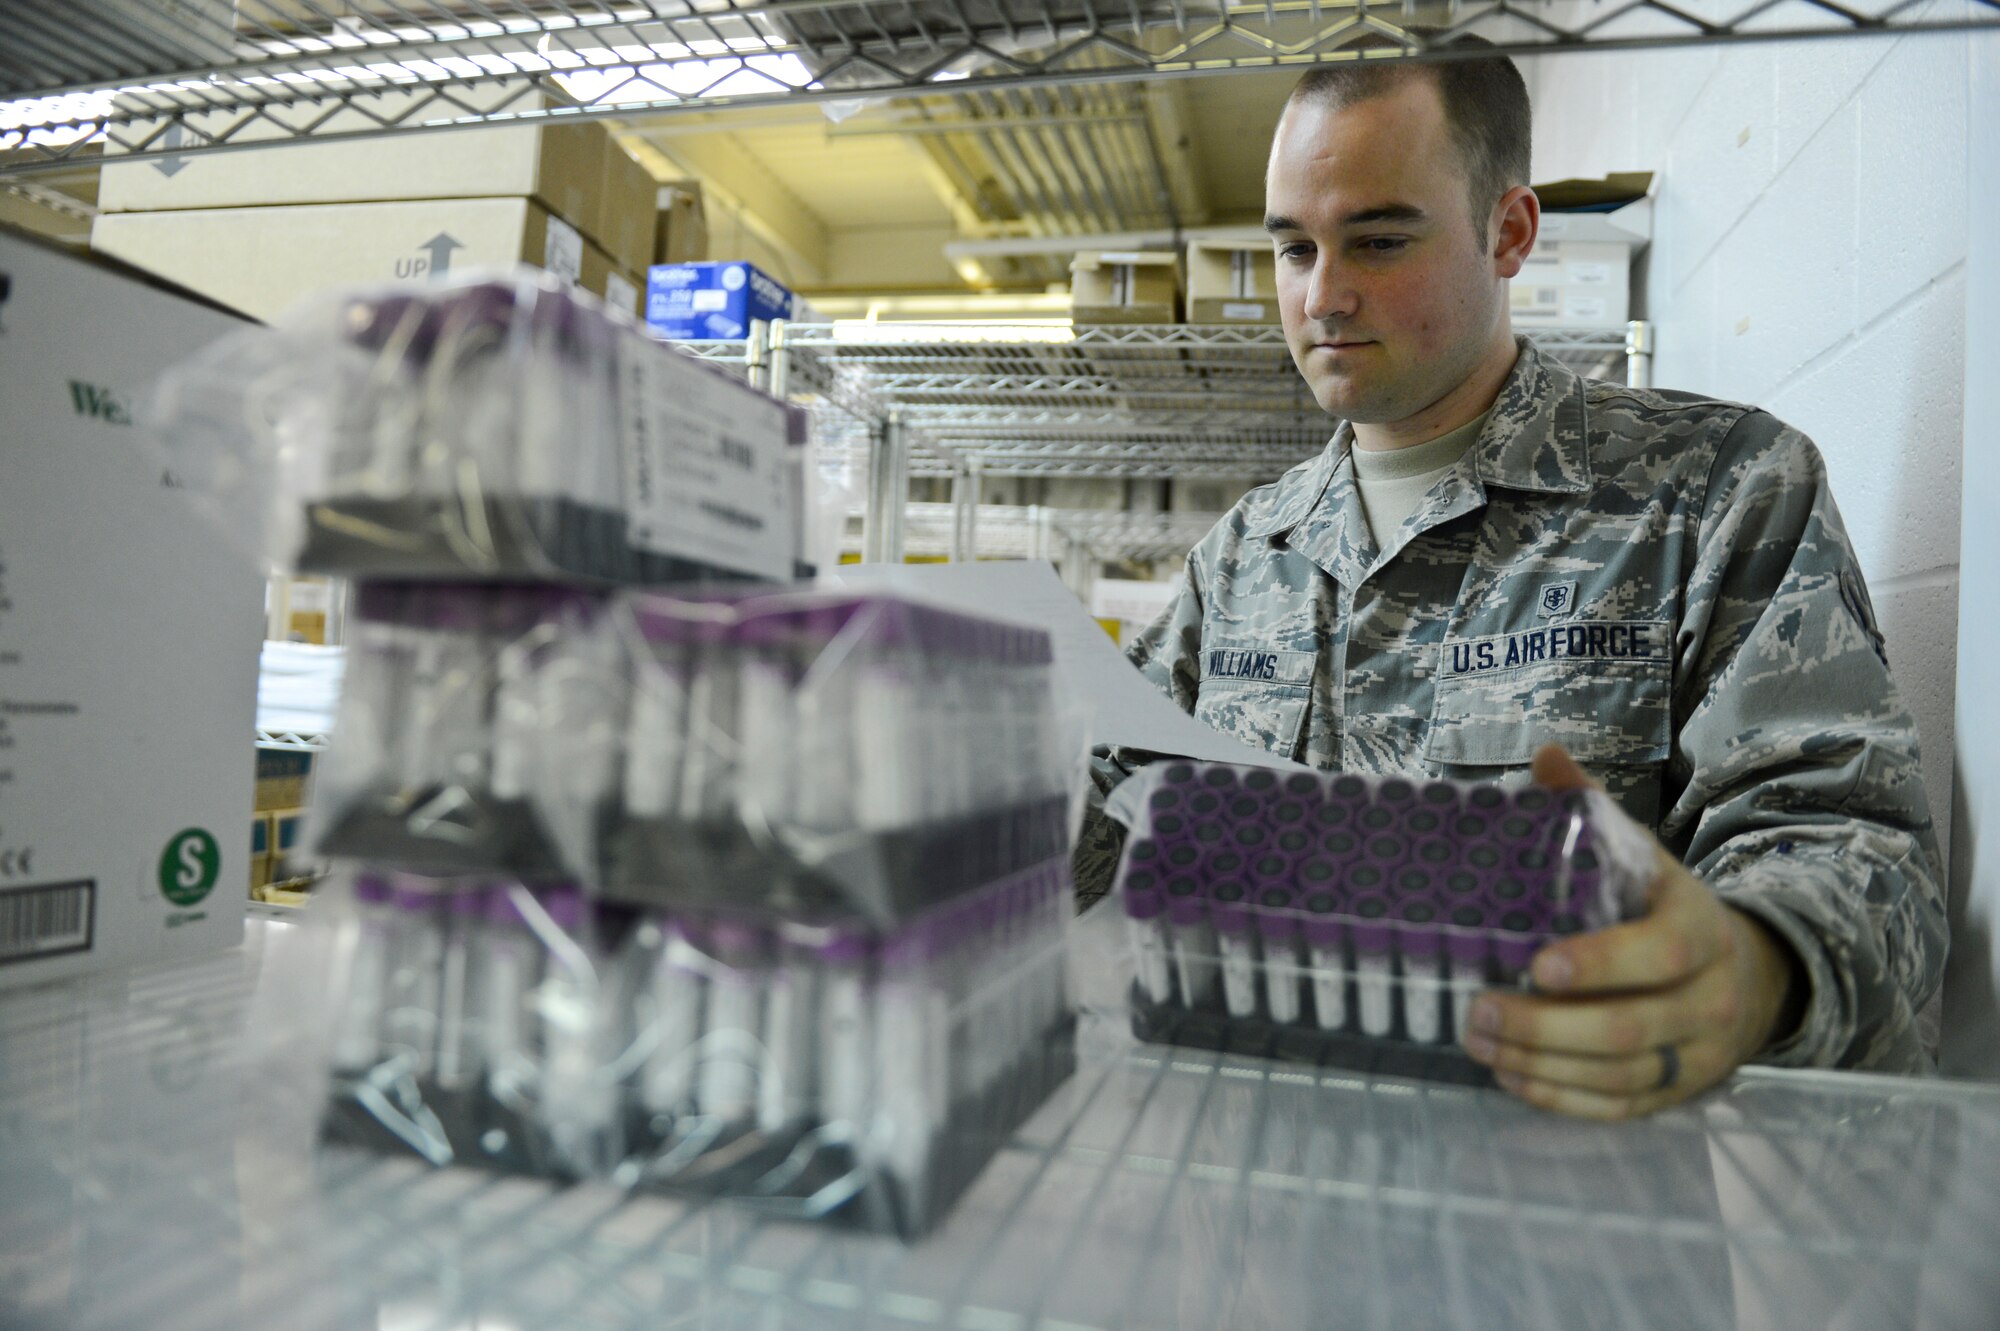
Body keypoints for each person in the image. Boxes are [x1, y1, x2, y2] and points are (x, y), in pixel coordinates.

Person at [1080, 45, 1948, 1120]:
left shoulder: (1711, 491)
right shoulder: (1245, 556)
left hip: (1559, 1237)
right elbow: (1094, 807)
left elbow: (1848, 840)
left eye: (1378, 239)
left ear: (1509, 232)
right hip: (1249, 1224)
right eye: (1293, 248)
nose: (1323, 294)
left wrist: (1752, 962)